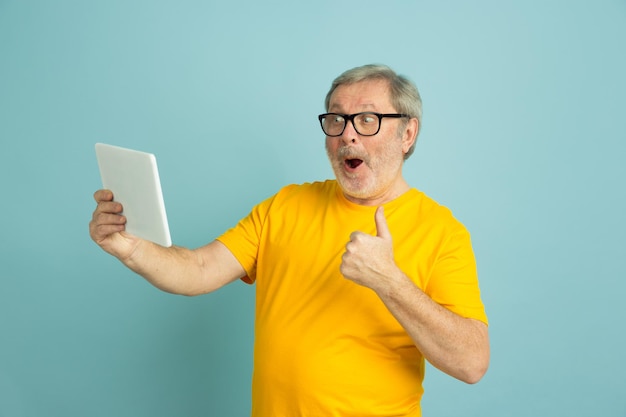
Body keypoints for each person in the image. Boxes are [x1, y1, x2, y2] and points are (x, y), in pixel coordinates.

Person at [90, 64, 489, 416]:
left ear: (407, 133)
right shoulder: (286, 205)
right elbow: (197, 270)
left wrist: (389, 280)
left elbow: (472, 362)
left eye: (367, 120)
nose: (347, 136)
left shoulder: (441, 232)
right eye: (336, 120)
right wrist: (132, 249)